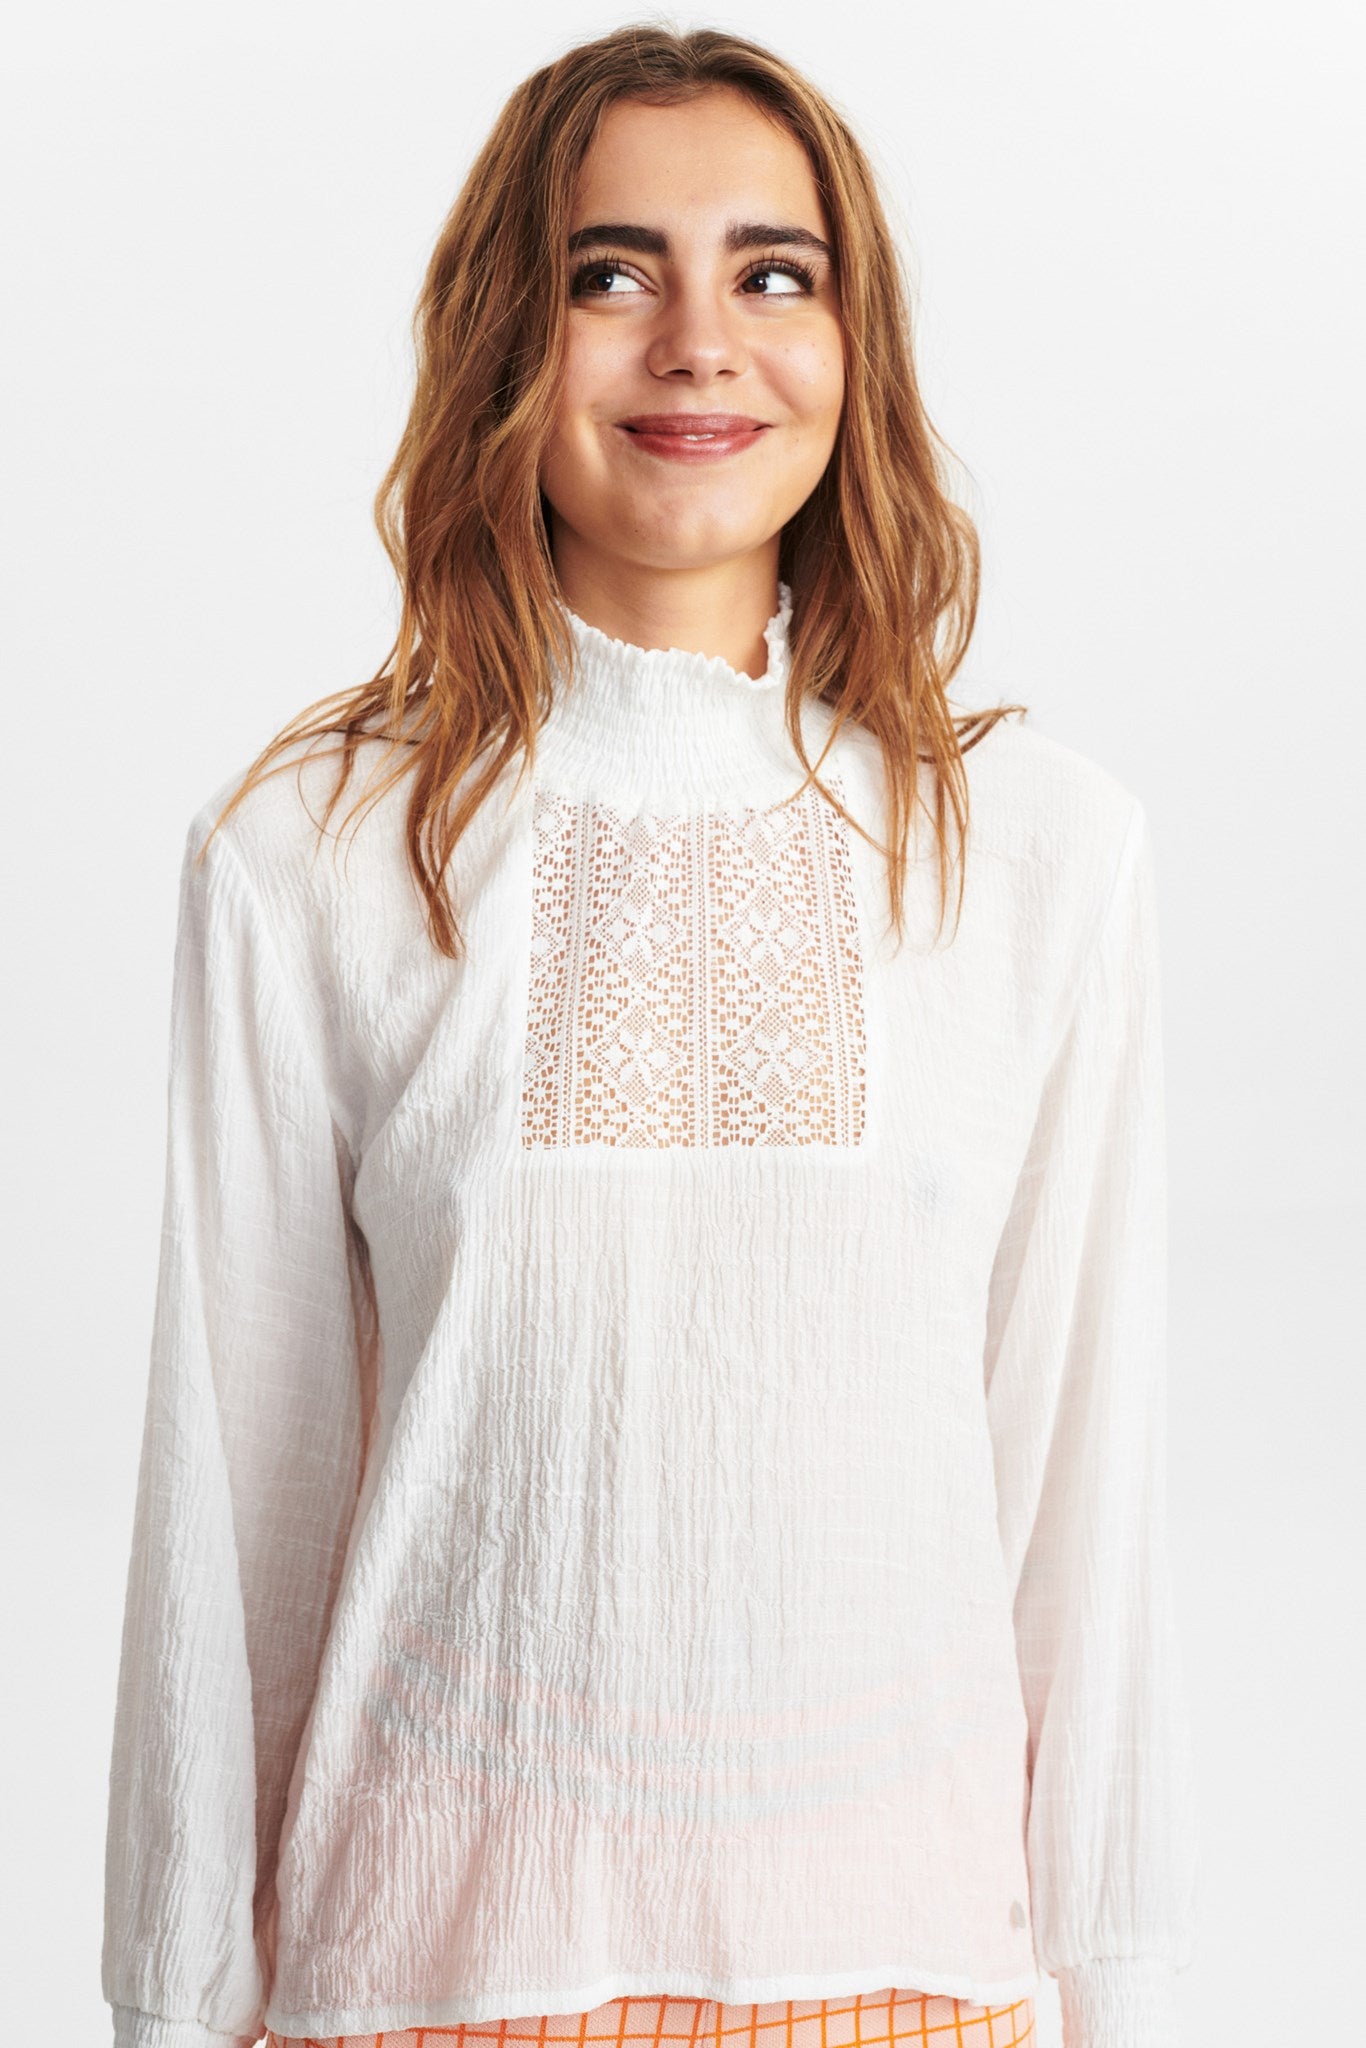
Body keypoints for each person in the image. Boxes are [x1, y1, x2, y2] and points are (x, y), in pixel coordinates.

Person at [100, 24, 1198, 2048]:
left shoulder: (1038, 853)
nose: (700, 343)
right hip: (424, 1987)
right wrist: (174, 1997)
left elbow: (1076, 1496)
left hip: (918, 1986)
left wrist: (1113, 1990)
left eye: (773, 273)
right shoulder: (311, 855)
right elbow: (236, 1501)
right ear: (506, 342)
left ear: (853, 346)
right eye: (611, 273)